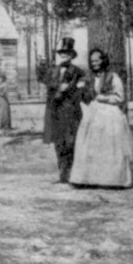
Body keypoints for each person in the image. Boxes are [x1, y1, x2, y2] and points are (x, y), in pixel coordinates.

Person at [69, 47, 133, 189]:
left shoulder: (113, 77)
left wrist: (103, 98)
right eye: (92, 61)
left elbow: (120, 97)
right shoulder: (89, 77)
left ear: (103, 61)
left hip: (110, 113)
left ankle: (113, 179)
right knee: (90, 143)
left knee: (110, 144)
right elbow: (85, 95)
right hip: (93, 112)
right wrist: (81, 90)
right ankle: (88, 178)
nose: (94, 63)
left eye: (97, 60)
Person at [38, 37, 87, 184]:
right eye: (62, 53)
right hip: (55, 111)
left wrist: (70, 89)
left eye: (67, 53)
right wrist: (57, 87)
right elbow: (43, 80)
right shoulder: (52, 70)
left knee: (71, 142)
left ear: (72, 55)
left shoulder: (78, 72)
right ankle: (63, 174)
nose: (64, 55)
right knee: (58, 142)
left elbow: (81, 91)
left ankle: (72, 173)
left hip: (71, 111)